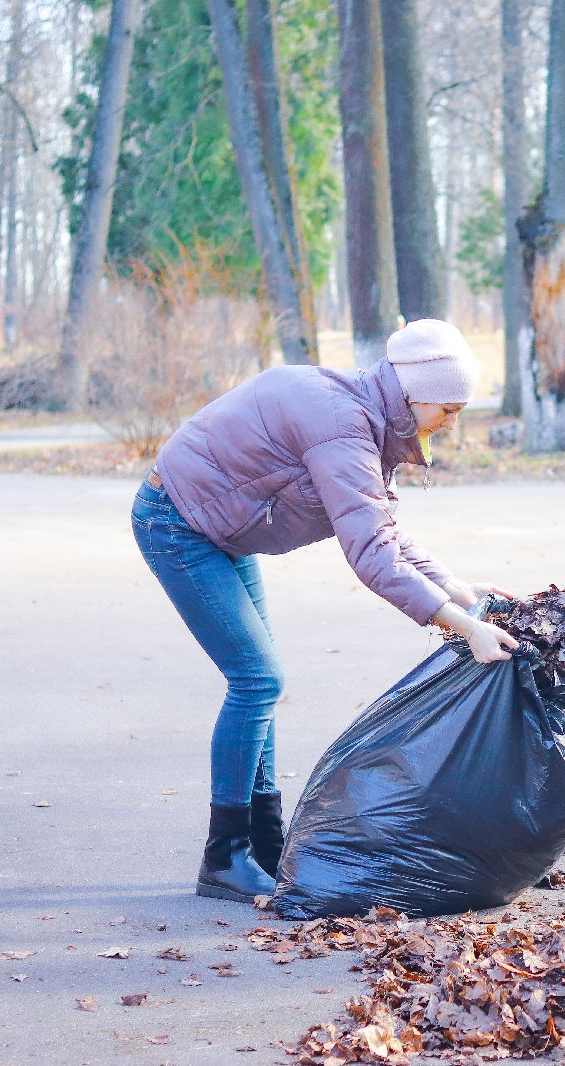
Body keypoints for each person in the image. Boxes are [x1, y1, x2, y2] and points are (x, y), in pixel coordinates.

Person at [131, 319, 518, 904]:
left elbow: (381, 527)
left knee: (259, 686)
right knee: (257, 680)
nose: (451, 424)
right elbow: (371, 554)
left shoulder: (366, 417)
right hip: (177, 521)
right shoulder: (342, 425)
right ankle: (224, 856)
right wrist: (462, 626)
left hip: (221, 528)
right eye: (449, 409)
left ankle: (265, 843)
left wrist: (457, 590)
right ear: (415, 394)